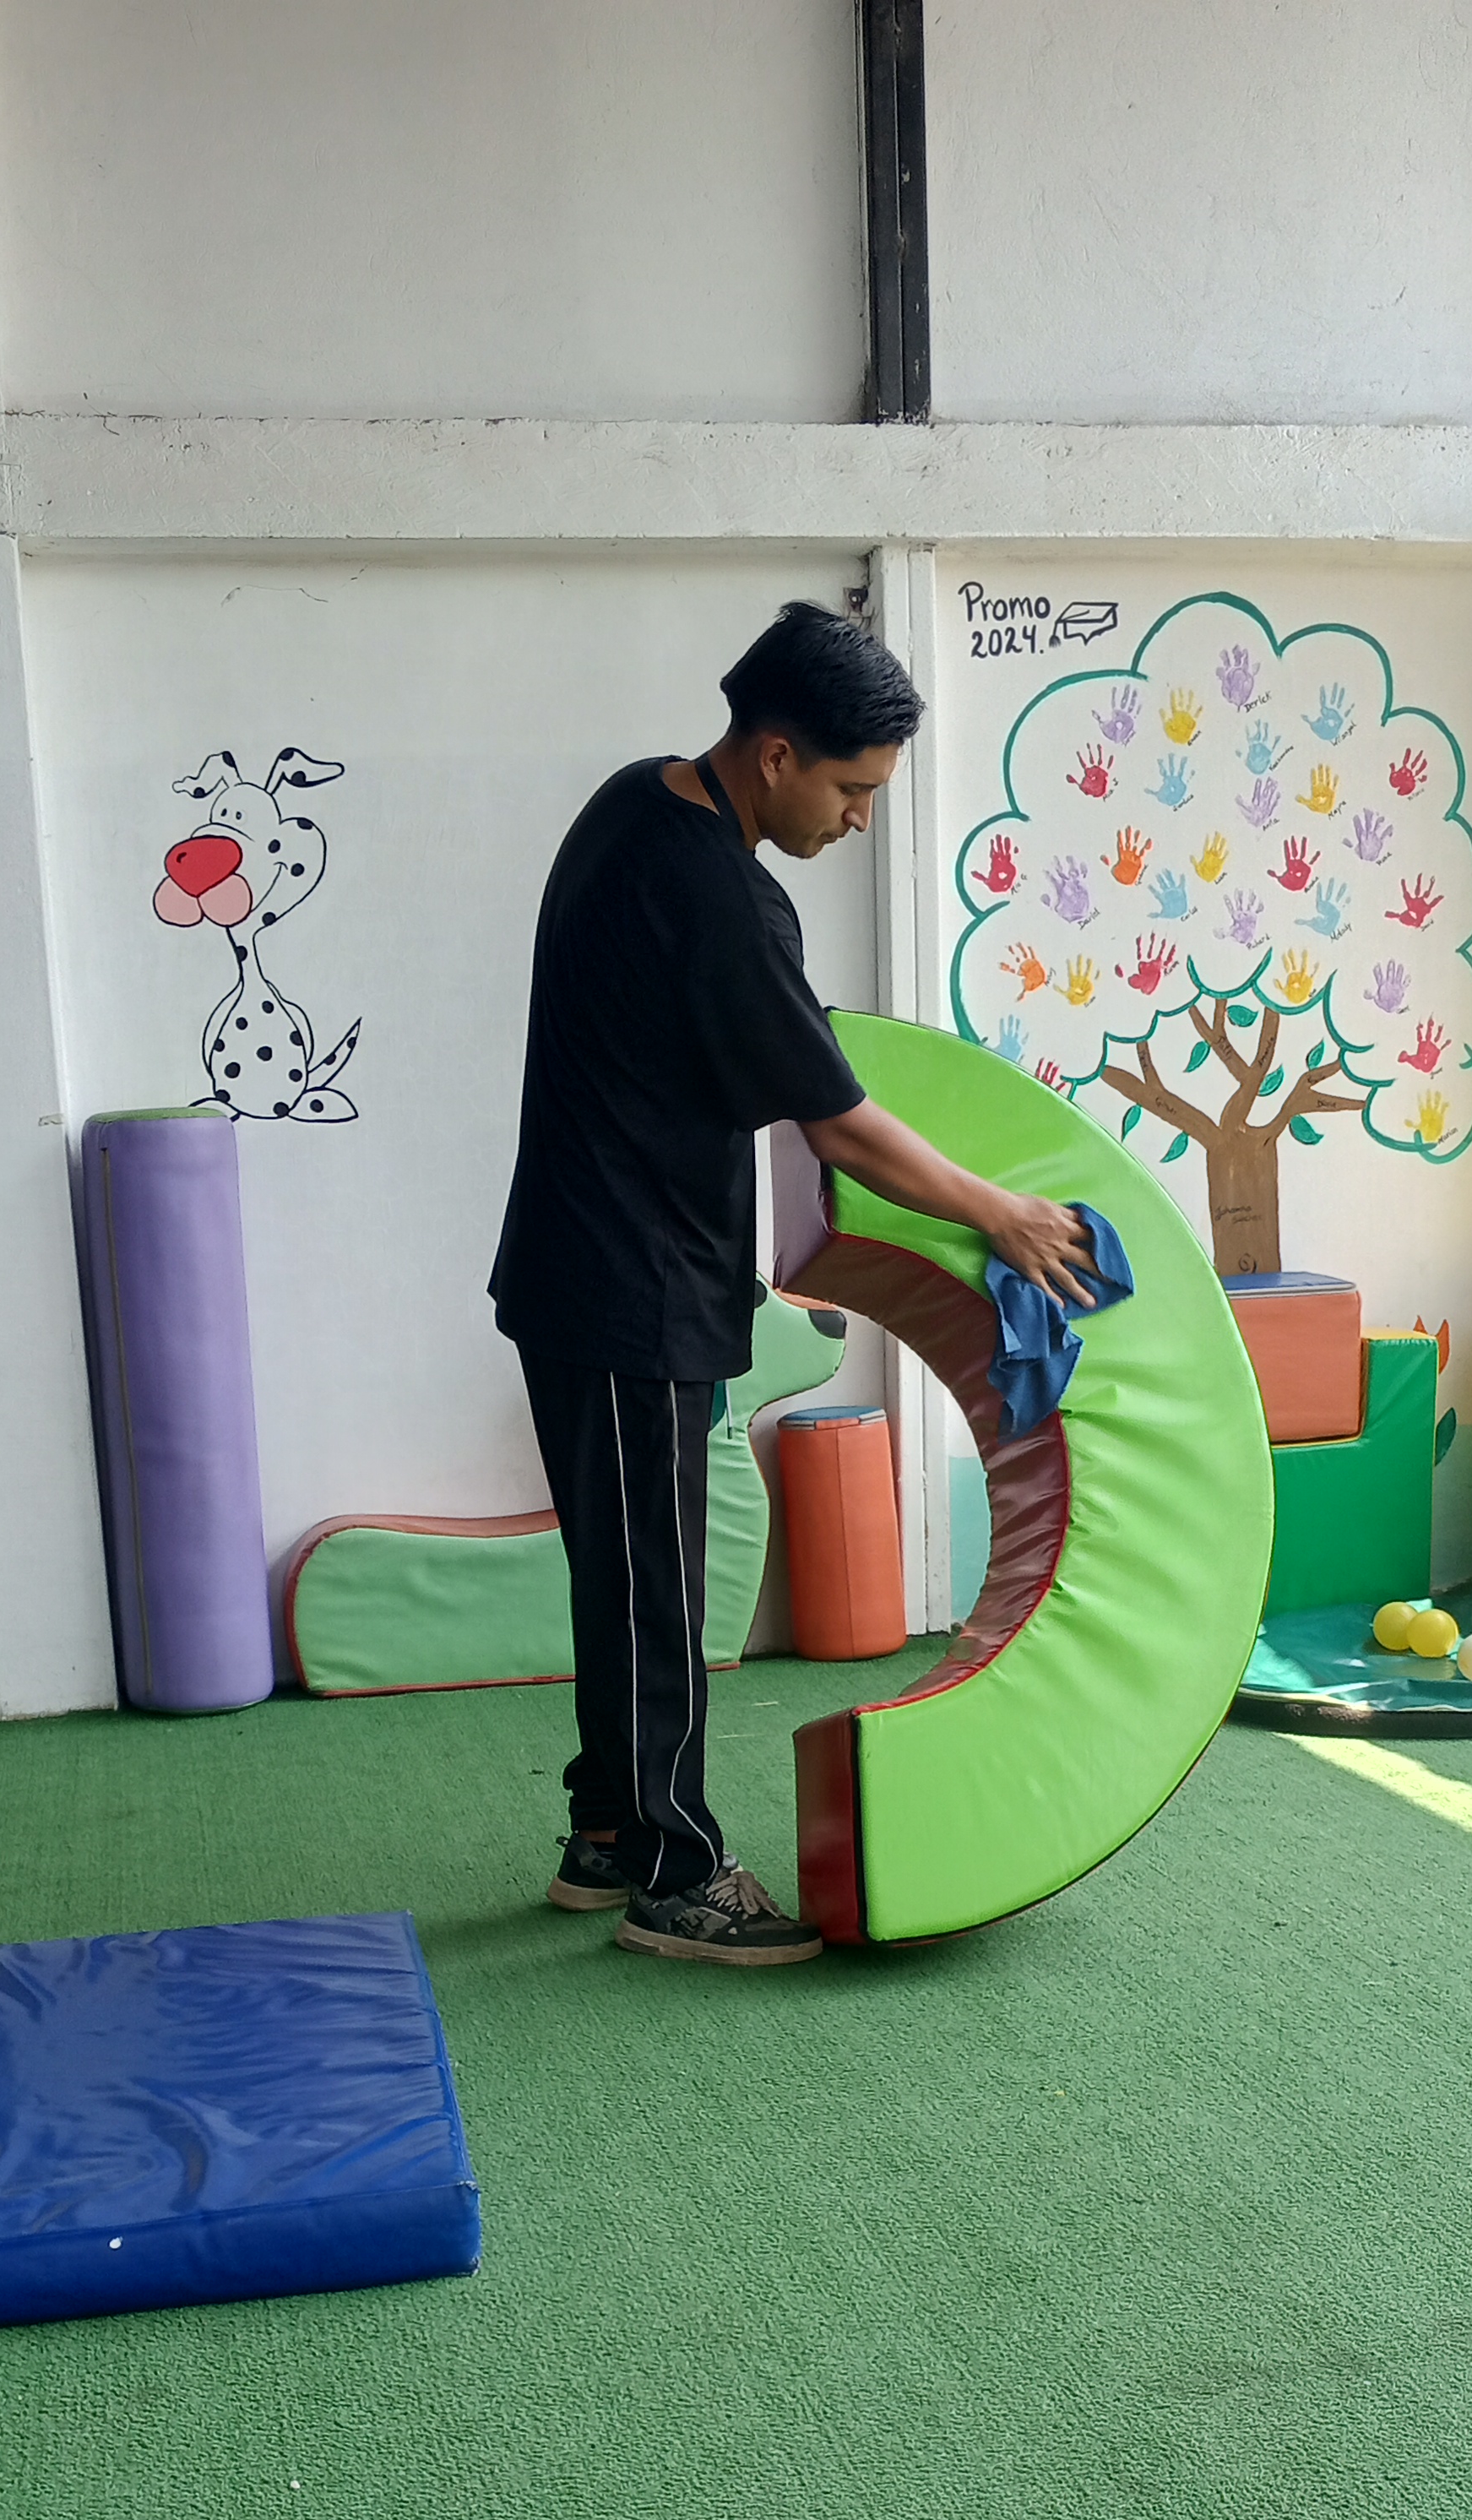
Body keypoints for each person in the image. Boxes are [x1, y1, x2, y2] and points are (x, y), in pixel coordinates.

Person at [489, 599, 1096, 1969]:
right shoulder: (722, 892)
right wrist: (1001, 1211)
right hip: (627, 1286)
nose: (860, 819)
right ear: (774, 755)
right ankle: (674, 1875)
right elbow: (840, 1124)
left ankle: (607, 1830)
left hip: (585, 1269)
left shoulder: (633, 804)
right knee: (659, 1592)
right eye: (851, 789)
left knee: (626, 1576)